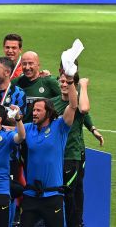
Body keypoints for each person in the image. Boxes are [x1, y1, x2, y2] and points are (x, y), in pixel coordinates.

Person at [21, 90, 79, 226]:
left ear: (48, 112)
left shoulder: (60, 127)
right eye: (33, 110)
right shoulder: (28, 128)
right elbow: (8, 130)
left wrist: (70, 82)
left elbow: (72, 106)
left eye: (38, 110)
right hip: (31, 195)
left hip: (52, 196)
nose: (34, 113)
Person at [52, 74, 91, 227]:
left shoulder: (78, 102)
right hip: (54, 156)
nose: (64, 84)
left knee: (71, 193)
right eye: (61, 81)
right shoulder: (53, 103)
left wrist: (84, 86)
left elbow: (84, 109)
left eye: (67, 82)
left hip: (71, 155)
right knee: (55, 193)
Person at [12, 51, 61, 120]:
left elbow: (63, 100)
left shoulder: (49, 82)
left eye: (30, 63)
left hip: (42, 129)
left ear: (38, 65)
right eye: (24, 64)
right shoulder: (15, 83)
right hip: (22, 128)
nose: (27, 67)